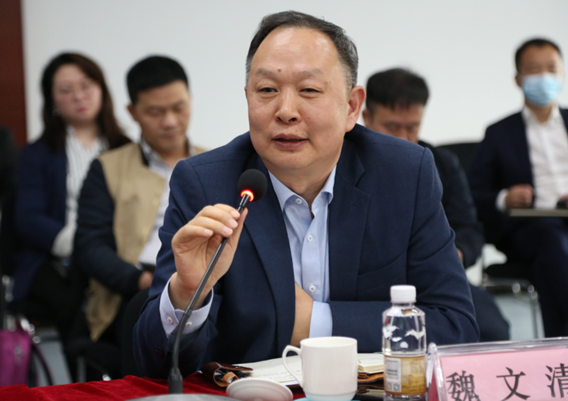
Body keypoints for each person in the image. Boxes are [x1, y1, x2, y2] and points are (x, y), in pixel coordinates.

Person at [134, 11, 479, 378]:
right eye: (267, 90)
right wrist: (187, 294)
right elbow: (154, 365)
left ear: (351, 107)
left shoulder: (403, 175)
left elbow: (455, 327)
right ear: (248, 97)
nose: (286, 112)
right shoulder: (205, 184)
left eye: (309, 90)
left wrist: (315, 322)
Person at [74, 55, 205, 376]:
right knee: (147, 304)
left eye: (179, 107)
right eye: (155, 112)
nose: (170, 121)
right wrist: (141, 280)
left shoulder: (212, 164)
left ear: (190, 100)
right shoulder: (108, 167)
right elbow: (90, 246)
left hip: (204, 281)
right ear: (132, 112)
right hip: (136, 286)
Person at [363, 68, 509, 341]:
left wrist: (451, 256)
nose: (404, 137)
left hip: (434, 278)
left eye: (413, 127)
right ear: (365, 116)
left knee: (491, 330)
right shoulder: (346, 165)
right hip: (369, 285)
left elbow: (469, 229)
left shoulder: (441, 164)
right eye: (392, 126)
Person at [11, 53, 130, 343]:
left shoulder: (126, 149)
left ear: (101, 89)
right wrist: (83, 245)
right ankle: (83, 366)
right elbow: (28, 218)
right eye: (66, 90)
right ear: (52, 100)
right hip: (56, 259)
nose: (78, 96)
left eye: (86, 85)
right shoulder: (38, 153)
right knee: (75, 306)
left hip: (118, 255)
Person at [468, 38, 568, 337]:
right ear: (518, 79)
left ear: (561, 73)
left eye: (551, 68)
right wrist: (504, 198)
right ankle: (561, 344)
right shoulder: (499, 132)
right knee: (553, 243)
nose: (544, 76)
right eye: (534, 69)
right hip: (529, 227)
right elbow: (473, 192)